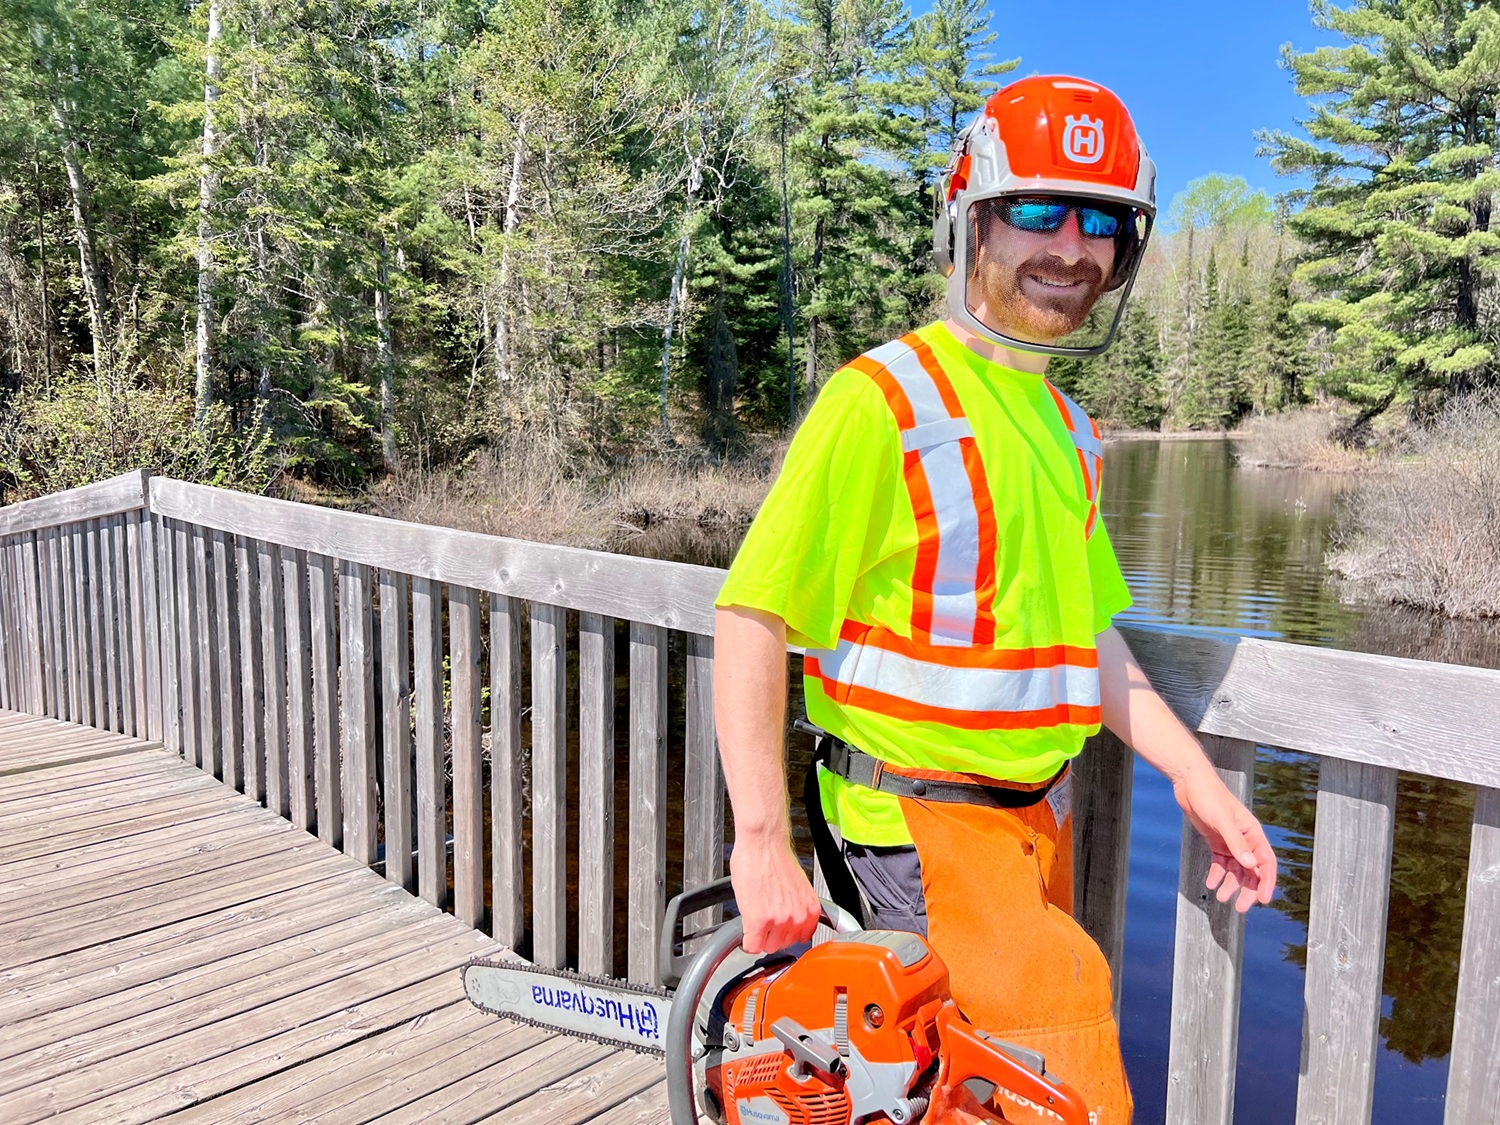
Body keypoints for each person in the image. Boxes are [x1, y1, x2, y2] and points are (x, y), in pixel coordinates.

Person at [710, 75, 1278, 1124]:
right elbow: (752, 615)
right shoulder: (882, 400)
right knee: (1067, 1099)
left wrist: (1196, 779)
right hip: (914, 829)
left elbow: (1087, 640)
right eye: (1038, 209)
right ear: (968, 217)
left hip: (1033, 827)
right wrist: (760, 842)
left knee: (954, 1099)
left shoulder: (1069, 429)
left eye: (1101, 220)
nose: (1072, 246)